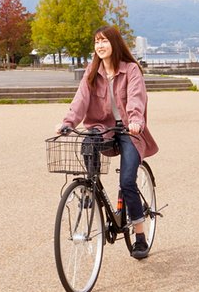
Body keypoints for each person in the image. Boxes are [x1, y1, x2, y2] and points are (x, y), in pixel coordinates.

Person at [55, 25, 159, 260]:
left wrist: (134, 121)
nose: (99, 46)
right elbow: (80, 100)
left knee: (127, 181)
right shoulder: (92, 71)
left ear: (114, 43)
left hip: (129, 131)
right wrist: (68, 122)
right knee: (87, 143)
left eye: (104, 41)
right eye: (96, 42)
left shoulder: (131, 70)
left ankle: (140, 236)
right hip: (103, 128)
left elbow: (136, 99)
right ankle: (91, 191)